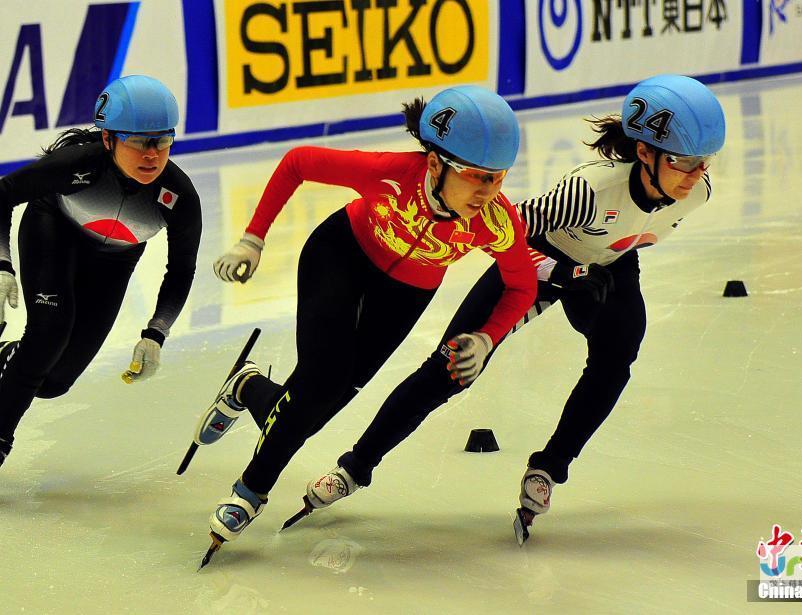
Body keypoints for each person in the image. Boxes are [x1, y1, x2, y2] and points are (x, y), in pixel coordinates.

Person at [289, 74, 726, 542]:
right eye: (683, 163)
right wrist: (559, 273)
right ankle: (356, 467)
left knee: (618, 354)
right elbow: (503, 230)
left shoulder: (696, 193)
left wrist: (590, 275)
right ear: (645, 152)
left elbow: (629, 236)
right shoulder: (590, 192)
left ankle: (549, 467)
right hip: (536, 262)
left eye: (703, 164)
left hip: (606, 269)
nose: (694, 175)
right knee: (449, 369)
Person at [197, 85, 536, 554]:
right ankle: (249, 492)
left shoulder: (496, 221)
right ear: (436, 164)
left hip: (407, 291)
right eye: (478, 176)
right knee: (320, 385)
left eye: (498, 178)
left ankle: (248, 387)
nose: (489, 191)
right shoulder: (393, 174)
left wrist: (487, 337)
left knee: (319, 408)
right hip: (341, 255)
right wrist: (253, 239)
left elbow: (523, 285)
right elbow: (298, 161)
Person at [0, 75, 202, 469]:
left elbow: (182, 270)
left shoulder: (179, 197)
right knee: (50, 331)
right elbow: (3, 195)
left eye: (163, 140)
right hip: (53, 231)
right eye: (141, 142)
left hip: (115, 259)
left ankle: (8, 358)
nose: (152, 155)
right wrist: (2, 263)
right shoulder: (76, 165)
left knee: (55, 383)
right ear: (108, 139)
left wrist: (155, 333)